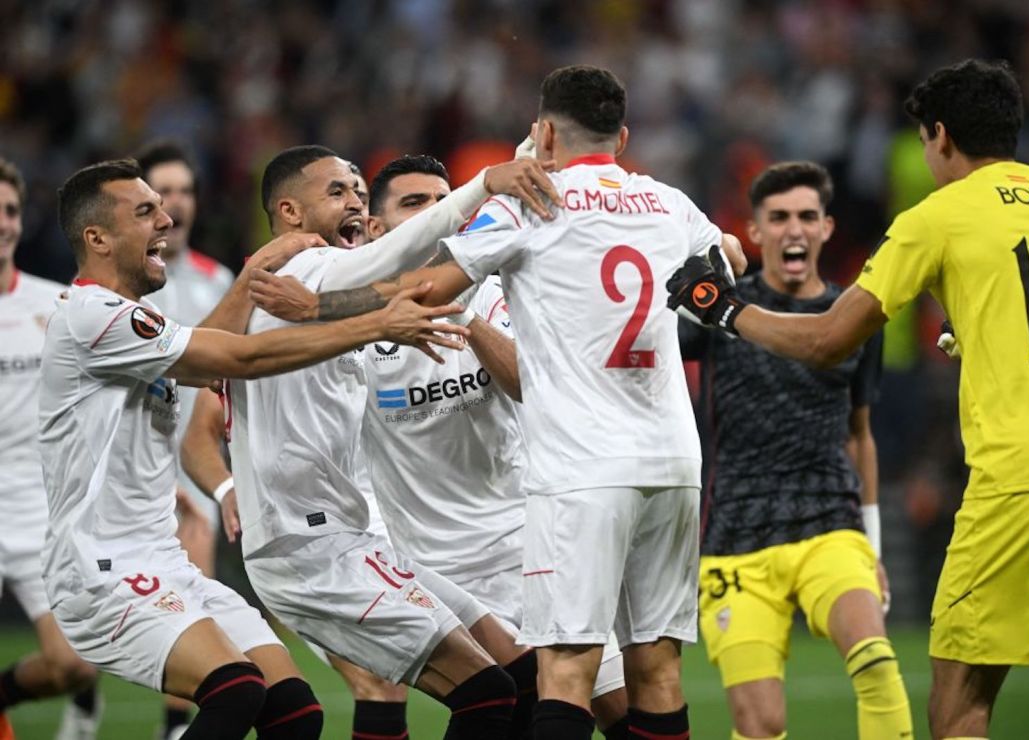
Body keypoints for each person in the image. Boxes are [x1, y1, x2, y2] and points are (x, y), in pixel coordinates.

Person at [667, 59, 1029, 740]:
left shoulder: (938, 215)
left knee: (959, 710)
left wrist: (721, 308)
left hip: (1022, 482)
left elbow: (827, 342)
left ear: (939, 137)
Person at [311, 65, 744, 740]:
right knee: (656, 672)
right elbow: (729, 264)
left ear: (542, 134)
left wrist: (314, 303)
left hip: (581, 469)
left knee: (565, 675)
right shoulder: (669, 202)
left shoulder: (531, 203)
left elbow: (429, 289)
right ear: (622, 137)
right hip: (672, 460)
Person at [40, 158, 469, 739]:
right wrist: (375, 323)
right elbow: (238, 359)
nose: (167, 218)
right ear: (97, 238)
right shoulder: (91, 315)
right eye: (146, 211)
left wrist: (245, 283)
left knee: (294, 712)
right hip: (100, 566)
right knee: (236, 692)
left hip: (161, 559)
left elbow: (200, 361)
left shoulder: (136, 318)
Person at [247, 152, 632, 737]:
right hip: (418, 558)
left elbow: (531, 384)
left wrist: (463, 314)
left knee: (615, 711)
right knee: (494, 697)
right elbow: (238, 381)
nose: (435, 214)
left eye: (440, 199)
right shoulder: (334, 307)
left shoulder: (490, 289)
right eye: (414, 204)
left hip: (525, 547)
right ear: (377, 231)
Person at [682, 161, 912, 739]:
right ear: (755, 231)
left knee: (878, 665)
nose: (794, 229)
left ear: (827, 228)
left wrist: (873, 546)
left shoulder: (854, 317)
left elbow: (861, 434)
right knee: (760, 725)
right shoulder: (715, 309)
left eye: (807, 216)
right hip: (737, 539)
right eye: (778, 217)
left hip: (829, 524)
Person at [134, 138, 237, 740]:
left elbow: (223, 380)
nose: (175, 203)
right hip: (130, 467)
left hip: (195, 467)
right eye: (161, 193)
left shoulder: (216, 280)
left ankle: (177, 725)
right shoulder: (123, 284)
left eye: (184, 191)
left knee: (192, 601)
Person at [0, 158, 101, 740]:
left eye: (10, 211)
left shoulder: (56, 306)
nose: (4, 224)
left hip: (39, 505)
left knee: (73, 664)